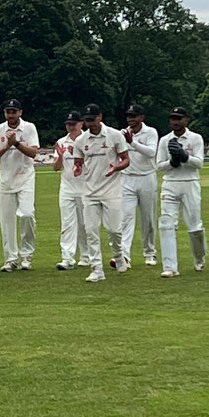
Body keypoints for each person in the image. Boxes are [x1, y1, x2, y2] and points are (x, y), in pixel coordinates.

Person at [73, 103, 130, 283]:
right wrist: (77, 168)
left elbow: (126, 160)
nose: (90, 123)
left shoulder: (114, 135)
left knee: (114, 230)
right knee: (90, 231)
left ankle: (119, 256)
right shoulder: (81, 140)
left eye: (93, 119)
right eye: (87, 120)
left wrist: (116, 167)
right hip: (89, 192)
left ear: (100, 117)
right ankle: (96, 268)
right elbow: (78, 161)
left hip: (111, 190)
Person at [0, 99, 39, 272]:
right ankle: (11, 259)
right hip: (5, 180)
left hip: (25, 177)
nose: (10, 115)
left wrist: (16, 143)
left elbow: (33, 153)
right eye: (8, 112)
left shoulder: (29, 128)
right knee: (6, 221)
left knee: (26, 214)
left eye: (13, 112)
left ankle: (26, 255)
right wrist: (6, 145)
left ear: (20, 112)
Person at [156, 107, 207, 278]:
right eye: (172, 118)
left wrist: (184, 156)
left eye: (179, 118)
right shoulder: (164, 140)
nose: (175, 122)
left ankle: (199, 258)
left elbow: (199, 163)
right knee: (166, 224)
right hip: (170, 183)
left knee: (195, 226)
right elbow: (159, 165)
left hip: (190, 183)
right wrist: (173, 161)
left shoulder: (195, 138)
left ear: (187, 120)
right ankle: (170, 266)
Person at [113, 104, 158, 269]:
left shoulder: (150, 132)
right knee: (126, 219)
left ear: (142, 117)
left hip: (147, 178)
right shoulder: (121, 134)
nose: (131, 119)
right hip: (127, 179)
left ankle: (150, 253)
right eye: (129, 116)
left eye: (134, 116)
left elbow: (151, 153)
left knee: (148, 220)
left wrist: (133, 143)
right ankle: (125, 256)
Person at [52, 110, 91, 270]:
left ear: (81, 123)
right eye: (68, 124)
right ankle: (67, 258)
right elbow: (55, 167)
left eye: (73, 124)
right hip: (67, 189)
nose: (70, 127)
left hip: (85, 188)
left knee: (85, 224)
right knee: (68, 224)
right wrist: (61, 156)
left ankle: (86, 256)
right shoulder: (62, 142)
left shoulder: (88, 140)